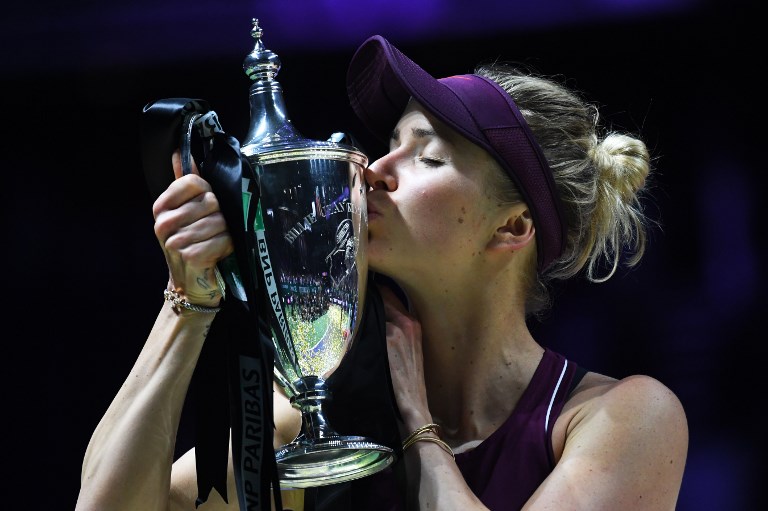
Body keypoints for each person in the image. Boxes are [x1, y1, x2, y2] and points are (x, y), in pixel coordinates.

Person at [76, 34, 688, 511]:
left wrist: (419, 429)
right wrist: (191, 297)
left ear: (511, 228)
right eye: (388, 142)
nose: (371, 169)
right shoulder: (320, 414)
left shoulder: (627, 418)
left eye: (427, 156)